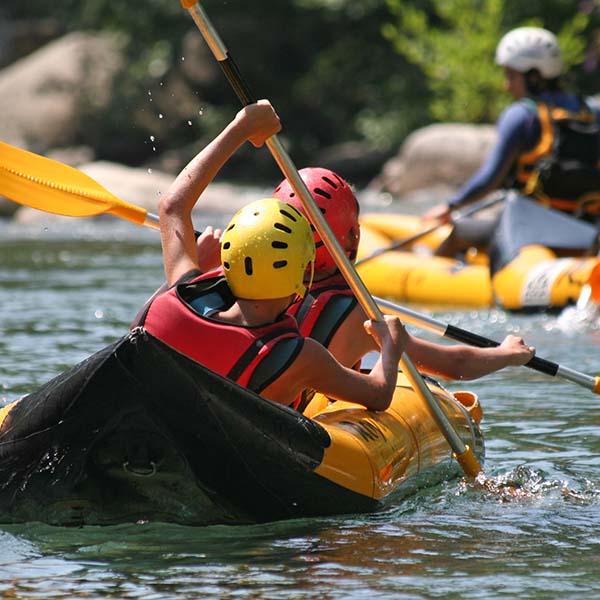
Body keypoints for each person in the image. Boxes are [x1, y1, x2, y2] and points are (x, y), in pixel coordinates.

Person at [134, 99, 407, 412]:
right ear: (303, 277)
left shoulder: (175, 297)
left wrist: (240, 129)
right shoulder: (300, 356)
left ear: (228, 260)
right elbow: (378, 394)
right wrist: (390, 347)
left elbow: (171, 207)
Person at [272, 167, 535, 404]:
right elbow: (456, 365)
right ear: (353, 236)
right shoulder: (360, 315)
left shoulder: (250, 286)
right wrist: (507, 353)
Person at [423, 26, 600, 257]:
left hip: (530, 229)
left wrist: (451, 206)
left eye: (511, 76)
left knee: (460, 233)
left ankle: (436, 274)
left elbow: (490, 178)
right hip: (588, 231)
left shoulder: (521, 115)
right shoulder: (592, 111)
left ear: (534, 76)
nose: (507, 85)